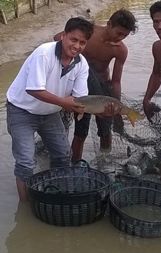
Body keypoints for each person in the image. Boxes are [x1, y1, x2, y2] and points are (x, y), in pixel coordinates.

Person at [6, 17, 94, 201]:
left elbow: (80, 101)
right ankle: (26, 207)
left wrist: (105, 110)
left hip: (50, 113)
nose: (77, 46)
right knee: (25, 162)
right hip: (21, 110)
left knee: (63, 155)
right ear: (63, 36)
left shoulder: (81, 64)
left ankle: (56, 194)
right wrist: (65, 103)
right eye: (73, 39)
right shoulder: (43, 54)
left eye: (82, 42)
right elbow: (33, 89)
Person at [54, 9, 138, 162]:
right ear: (109, 24)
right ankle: (75, 164)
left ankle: (104, 161)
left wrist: (116, 106)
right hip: (80, 89)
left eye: (124, 36)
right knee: (81, 131)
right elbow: (58, 38)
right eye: (118, 33)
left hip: (102, 90)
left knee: (106, 129)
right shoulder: (88, 33)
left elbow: (116, 81)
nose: (120, 38)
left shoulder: (120, 50)